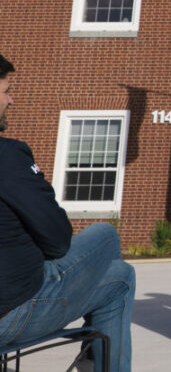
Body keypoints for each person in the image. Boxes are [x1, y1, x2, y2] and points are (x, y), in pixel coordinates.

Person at [0, 54, 136, 372]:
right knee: (114, 260)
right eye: (6, 90)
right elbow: (58, 241)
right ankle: (93, 356)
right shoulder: (8, 157)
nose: (11, 99)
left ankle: (92, 353)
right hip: (10, 312)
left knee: (115, 271)